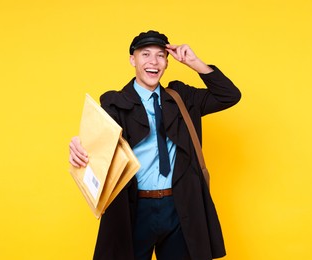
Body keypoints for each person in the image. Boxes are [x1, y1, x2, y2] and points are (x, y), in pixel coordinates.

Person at [69, 30, 241, 260]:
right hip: (135, 209)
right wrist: (78, 144)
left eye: (160, 55)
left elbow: (229, 95)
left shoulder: (182, 98)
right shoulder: (115, 103)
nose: (153, 62)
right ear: (133, 60)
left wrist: (194, 63)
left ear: (167, 62)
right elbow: (96, 144)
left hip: (179, 209)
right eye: (145, 54)